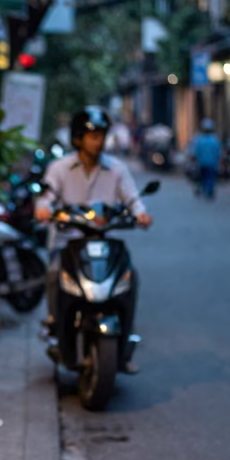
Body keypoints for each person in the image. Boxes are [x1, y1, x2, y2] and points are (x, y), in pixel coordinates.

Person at [36, 106, 153, 369]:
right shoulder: (59, 168)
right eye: (92, 136)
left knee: (129, 277)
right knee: (55, 273)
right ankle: (55, 322)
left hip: (103, 240)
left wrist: (141, 215)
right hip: (68, 241)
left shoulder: (117, 169)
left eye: (101, 135)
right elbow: (46, 196)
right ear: (77, 139)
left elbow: (133, 198)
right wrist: (44, 209)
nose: (98, 141)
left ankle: (125, 338)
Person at [191, 119, 221, 200]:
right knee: (209, 178)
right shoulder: (214, 139)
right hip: (211, 163)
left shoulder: (199, 139)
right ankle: (208, 191)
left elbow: (195, 152)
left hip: (202, 163)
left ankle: (206, 190)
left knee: (204, 177)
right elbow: (218, 153)